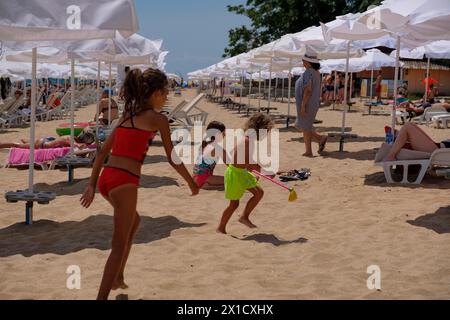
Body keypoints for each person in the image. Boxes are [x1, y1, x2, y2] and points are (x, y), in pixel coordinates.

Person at [80, 68, 199, 300]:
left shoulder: (127, 116)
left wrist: (92, 185)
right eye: (166, 93)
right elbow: (172, 157)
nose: (166, 98)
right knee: (118, 244)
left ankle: (118, 276)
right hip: (124, 181)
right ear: (156, 93)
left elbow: (103, 150)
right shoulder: (158, 119)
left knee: (134, 222)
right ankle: (102, 296)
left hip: (107, 178)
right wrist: (190, 182)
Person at [217, 113, 273, 234]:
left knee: (259, 193)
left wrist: (257, 169)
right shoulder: (247, 141)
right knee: (234, 204)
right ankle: (220, 228)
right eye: (266, 131)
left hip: (241, 172)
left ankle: (244, 217)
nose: (266, 134)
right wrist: (263, 171)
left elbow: (244, 159)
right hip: (235, 174)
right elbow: (248, 161)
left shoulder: (248, 139)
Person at [295, 54, 328, 157]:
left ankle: (315, 143)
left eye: (303, 61)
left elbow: (308, 90)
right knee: (303, 126)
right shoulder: (316, 73)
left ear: (308, 62)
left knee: (304, 126)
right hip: (311, 103)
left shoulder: (309, 72)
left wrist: (303, 106)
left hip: (308, 103)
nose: (302, 62)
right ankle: (317, 141)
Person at [383, 122, 450, 162]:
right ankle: (398, 137)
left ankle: (390, 156)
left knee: (407, 127)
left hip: (439, 151)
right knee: (410, 124)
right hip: (438, 147)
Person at [193, 121, 226, 190]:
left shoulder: (203, 144)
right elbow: (231, 164)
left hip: (195, 177)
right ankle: (207, 185)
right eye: (223, 132)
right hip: (205, 178)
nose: (225, 135)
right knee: (232, 180)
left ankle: (209, 185)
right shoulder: (217, 148)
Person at [0, 131, 95, 150]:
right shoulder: (70, 138)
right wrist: (78, 146)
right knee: (16, 145)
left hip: (47, 141)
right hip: (42, 144)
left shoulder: (71, 136)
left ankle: (26, 140)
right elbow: (71, 142)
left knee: (26, 142)